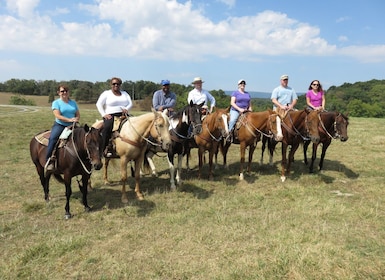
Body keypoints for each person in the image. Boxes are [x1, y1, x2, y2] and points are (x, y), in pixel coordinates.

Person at [45, 85, 80, 171]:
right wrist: (69, 119)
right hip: (60, 125)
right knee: (53, 139)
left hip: (73, 125)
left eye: (66, 91)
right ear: (58, 93)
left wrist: (76, 119)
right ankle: (49, 160)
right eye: (62, 91)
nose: (64, 92)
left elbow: (78, 114)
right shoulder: (56, 103)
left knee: (84, 138)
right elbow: (57, 115)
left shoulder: (73, 103)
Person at [96, 77, 133, 157]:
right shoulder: (106, 93)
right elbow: (99, 104)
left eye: (118, 84)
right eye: (114, 84)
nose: (116, 85)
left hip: (124, 115)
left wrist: (126, 108)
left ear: (120, 85)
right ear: (111, 85)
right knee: (107, 128)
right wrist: (103, 114)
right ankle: (104, 148)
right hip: (111, 115)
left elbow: (130, 103)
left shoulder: (125, 93)